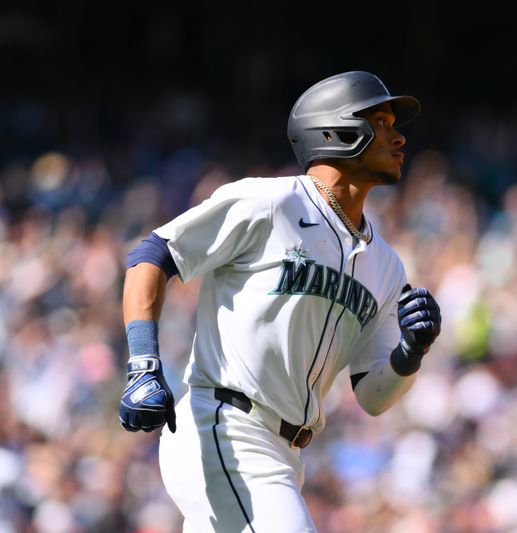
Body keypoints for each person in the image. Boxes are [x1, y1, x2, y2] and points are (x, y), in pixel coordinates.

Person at [118, 71, 441, 532]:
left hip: (288, 454)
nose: (399, 136)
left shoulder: (386, 265)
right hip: (225, 425)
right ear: (337, 130)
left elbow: (372, 395)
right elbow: (153, 255)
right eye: (383, 121)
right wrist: (143, 364)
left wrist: (412, 352)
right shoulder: (269, 202)